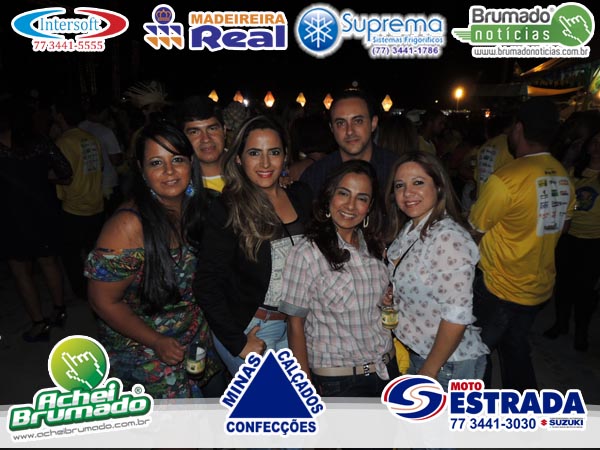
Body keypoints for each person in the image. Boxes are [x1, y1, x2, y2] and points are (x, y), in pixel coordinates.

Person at [85, 121, 222, 398]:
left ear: (191, 163)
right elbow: (103, 301)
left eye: (177, 160)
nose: (169, 171)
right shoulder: (128, 226)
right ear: (141, 170)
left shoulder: (201, 208)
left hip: (197, 338)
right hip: (144, 350)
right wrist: (156, 341)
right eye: (156, 163)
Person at [469, 98, 576, 391]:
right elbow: (564, 226)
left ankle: (481, 405)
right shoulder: (563, 175)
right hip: (538, 288)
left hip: (498, 287)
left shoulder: (506, 179)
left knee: (476, 352)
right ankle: (523, 407)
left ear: (518, 129)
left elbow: (474, 231)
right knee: (514, 347)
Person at [193, 115, 312, 376]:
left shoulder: (301, 196)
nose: (265, 163)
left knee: (299, 398)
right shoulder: (228, 208)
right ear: (239, 158)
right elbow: (206, 283)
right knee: (272, 400)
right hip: (252, 328)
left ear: (285, 156)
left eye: (274, 152)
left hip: (298, 324)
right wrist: (238, 343)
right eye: (255, 153)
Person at [280, 160, 399, 397]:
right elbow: (294, 325)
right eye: (343, 193)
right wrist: (304, 387)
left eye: (361, 198)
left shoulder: (375, 248)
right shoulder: (306, 253)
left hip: (388, 371)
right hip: (339, 381)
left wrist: (387, 301)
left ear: (369, 207)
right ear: (329, 197)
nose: (350, 205)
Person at [384, 152, 488, 390]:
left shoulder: (447, 238)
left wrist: (428, 371)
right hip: (419, 352)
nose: (407, 192)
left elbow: (456, 317)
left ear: (439, 187)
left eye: (418, 182)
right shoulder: (413, 227)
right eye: (400, 185)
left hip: (445, 366)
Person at [0, 98, 72, 342]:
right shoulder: (40, 141)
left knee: (21, 271)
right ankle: (59, 311)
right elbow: (65, 172)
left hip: (10, 216)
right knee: (49, 262)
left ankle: (39, 324)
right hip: (42, 211)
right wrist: (43, 179)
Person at [544, 128, 600, 351]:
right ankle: (561, 323)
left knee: (586, 290)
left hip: (594, 241)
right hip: (569, 236)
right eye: (595, 141)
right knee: (563, 284)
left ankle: (581, 332)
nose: (597, 146)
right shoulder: (573, 171)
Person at [300, 88, 398, 198]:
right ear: (332, 128)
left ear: (373, 123)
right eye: (341, 123)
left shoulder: (395, 171)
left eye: (358, 121)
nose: (349, 131)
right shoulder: (316, 176)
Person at [53, 98, 105, 301]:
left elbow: (65, 176)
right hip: (96, 203)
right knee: (95, 252)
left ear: (60, 116)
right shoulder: (91, 138)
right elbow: (100, 167)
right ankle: (100, 287)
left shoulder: (64, 142)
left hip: (74, 207)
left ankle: (83, 293)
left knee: (71, 255)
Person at [174, 95, 229, 193]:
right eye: (194, 132)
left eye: (212, 129)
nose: (206, 139)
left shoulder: (248, 169)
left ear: (224, 131)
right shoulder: (177, 183)